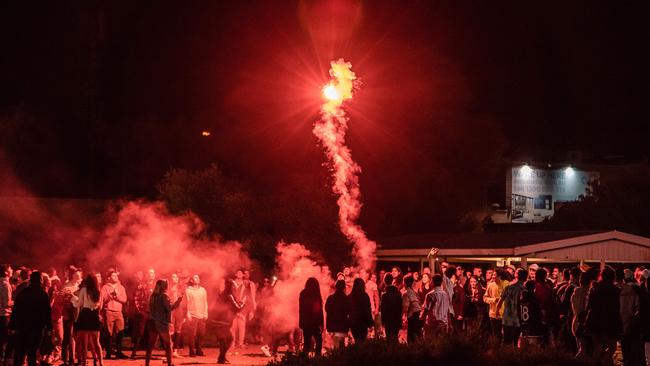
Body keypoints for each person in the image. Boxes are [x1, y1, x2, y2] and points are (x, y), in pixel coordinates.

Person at [9, 271, 52, 366]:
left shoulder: (23, 293)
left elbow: (16, 310)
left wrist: (12, 326)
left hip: (22, 327)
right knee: (32, 352)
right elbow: (47, 312)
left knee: (20, 352)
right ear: (40, 280)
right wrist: (49, 327)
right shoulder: (43, 294)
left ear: (31, 280)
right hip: (37, 328)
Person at [584, 266, 621, 365]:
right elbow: (617, 308)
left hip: (594, 320)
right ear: (613, 277)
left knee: (598, 346)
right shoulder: (616, 290)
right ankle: (604, 362)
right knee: (612, 346)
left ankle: (595, 363)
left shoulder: (595, 288)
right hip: (610, 321)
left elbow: (589, 305)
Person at [145, 279, 183, 366]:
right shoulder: (164, 296)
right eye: (166, 285)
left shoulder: (153, 296)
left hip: (152, 322)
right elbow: (169, 308)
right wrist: (178, 301)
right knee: (168, 344)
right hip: (161, 323)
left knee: (150, 344)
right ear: (164, 286)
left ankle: (147, 364)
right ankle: (170, 363)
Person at [71, 274, 103, 366]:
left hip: (85, 315)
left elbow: (78, 303)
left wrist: (73, 298)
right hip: (94, 315)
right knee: (97, 342)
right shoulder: (99, 291)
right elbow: (99, 306)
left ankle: (84, 363)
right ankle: (101, 363)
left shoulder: (84, 290)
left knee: (84, 343)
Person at [100, 269, 128, 359]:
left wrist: (117, 296)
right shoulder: (105, 287)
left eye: (116, 275)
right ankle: (108, 353)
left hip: (119, 312)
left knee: (120, 332)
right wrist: (109, 296)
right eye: (113, 275)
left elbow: (124, 300)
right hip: (109, 311)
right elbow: (103, 299)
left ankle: (118, 352)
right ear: (109, 278)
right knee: (109, 333)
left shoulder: (121, 287)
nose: (115, 277)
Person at [498, 268, 526, 347]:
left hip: (506, 318)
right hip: (517, 319)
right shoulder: (523, 290)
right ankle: (513, 357)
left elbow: (500, 301)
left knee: (506, 341)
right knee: (515, 341)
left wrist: (497, 311)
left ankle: (505, 357)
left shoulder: (508, 287)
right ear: (525, 278)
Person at [618, 269, 641, 366]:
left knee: (624, 343)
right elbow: (637, 305)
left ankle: (627, 360)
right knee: (631, 344)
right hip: (631, 319)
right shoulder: (635, 289)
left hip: (620, 319)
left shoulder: (618, 289)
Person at [215, 280, 240, 364]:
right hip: (224, 322)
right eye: (233, 286)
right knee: (230, 339)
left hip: (218, 321)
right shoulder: (229, 296)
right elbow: (237, 308)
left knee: (223, 340)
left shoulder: (221, 295)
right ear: (230, 286)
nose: (234, 287)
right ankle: (221, 358)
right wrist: (243, 303)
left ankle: (222, 358)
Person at [131, 269, 155, 358]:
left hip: (153, 313)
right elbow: (136, 297)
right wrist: (139, 310)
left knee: (151, 333)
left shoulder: (157, 286)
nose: (151, 275)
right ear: (147, 275)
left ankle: (149, 354)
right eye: (150, 273)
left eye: (153, 273)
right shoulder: (142, 285)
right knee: (140, 332)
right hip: (144, 311)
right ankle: (133, 353)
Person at [299, 278, 323, 356]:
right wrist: (321, 323)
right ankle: (317, 358)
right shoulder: (316, 294)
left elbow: (301, 309)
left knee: (307, 342)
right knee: (319, 341)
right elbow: (319, 310)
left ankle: (304, 360)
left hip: (306, 323)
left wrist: (301, 322)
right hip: (314, 323)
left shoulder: (303, 293)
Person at [421, 274, 450, 341]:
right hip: (443, 323)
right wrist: (449, 324)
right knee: (441, 345)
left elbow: (426, 310)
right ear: (441, 282)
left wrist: (422, 320)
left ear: (432, 282)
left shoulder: (430, 295)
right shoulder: (445, 294)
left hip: (432, 324)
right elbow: (447, 310)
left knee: (430, 343)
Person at [185, 274, 208, 357]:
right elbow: (186, 302)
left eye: (198, 277)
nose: (197, 279)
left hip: (201, 315)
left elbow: (205, 302)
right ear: (191, 280)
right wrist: (187, 313)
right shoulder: (188, 290)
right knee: (192, 334)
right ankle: (191, 351)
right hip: (192, 315)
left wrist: (206, 313)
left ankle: (199, 350)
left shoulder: (203, 290)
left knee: (201, 334)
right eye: (195, 277)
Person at [484, 268, 508, 343]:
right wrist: (493, 300)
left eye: (495, 275)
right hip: (494, 314)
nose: (493, 276)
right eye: (492, 275)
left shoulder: (505, 284)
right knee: (496, 335)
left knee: (505, 335)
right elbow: (485, 298)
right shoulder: (491, 285)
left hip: (505, 314)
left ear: (500, 276)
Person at [325, 280, 350, 349]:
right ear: (344, 288)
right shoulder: (345, 299)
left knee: (334, 347)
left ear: (336, 287)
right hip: (342, 326)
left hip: (332, 326)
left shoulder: (330, 298)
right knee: (340, 347)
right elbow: (348, 311)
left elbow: (326, 309)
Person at [349, 278, 373, 344]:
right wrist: (370, 322)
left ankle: (356, 353)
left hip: (353, 323)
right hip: (363, 323)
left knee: (357, 341)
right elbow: (367, 310)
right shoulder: (365, 296)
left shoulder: (350, 296)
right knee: (362, 341)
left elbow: (347, 310)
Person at [380, 274, 402, 342]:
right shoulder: (398, 293)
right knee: (395, 338)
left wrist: (382, 321)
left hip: (388, 320)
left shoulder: (384, 295)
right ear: (392, 281)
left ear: (384, 281)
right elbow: (400, 307)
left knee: (389, 338)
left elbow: (383, 309)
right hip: (396, 318)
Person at [168, 273, 186, 358]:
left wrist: (185, 314)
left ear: (178, 279)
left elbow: (185, 300)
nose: (174, 278)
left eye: (175, 277)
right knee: (171, 330)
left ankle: (175, 350)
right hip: (171, 310)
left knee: (178, 331)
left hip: (179, 311)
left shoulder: (181, 288)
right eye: (172, 277)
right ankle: (170, 350)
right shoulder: (167, 288)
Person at [402, 275, 422, 343]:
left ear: (405, 283)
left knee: (411, 335)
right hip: (418, 313)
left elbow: (406, 306)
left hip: (413, 314)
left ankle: (411, 350)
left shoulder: (406, 293)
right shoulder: (414, 292)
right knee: (416, 333)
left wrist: (403, 315)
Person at [231, 270, 247, 349]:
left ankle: (240, 343)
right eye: (238, 273)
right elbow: (230, 296)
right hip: (233, 309)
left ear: (243, 275)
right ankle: (232, 343)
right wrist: (235, 309)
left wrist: (243, 310)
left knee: (241, 327)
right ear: (235, 274)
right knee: (233, 327)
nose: (240, 274)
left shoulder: (246, 284)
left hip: (242, 309)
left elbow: (247, 297)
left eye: (241, 273)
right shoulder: (232, 284)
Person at [0, 264, 13, 364]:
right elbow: (6, 303)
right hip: (4, 316)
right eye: (10, 269)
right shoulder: (5, 284)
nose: (12, 270)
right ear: (6, 272)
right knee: (4, 340)